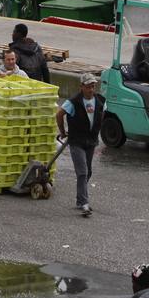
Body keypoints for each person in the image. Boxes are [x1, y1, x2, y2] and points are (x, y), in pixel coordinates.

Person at [59, 73, 105, 217]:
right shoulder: (74, 101)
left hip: (90, 141)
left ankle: (80, 199)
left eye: (93, 86)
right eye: (88, 87)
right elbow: (59, 114)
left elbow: (102, 114)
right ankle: (84, 204)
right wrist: (63, 132)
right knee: (82, 172)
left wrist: (97, 129)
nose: (91, 90)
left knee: (88, 172)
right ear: (81, 87)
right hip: (76, 141)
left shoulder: (100, 101)